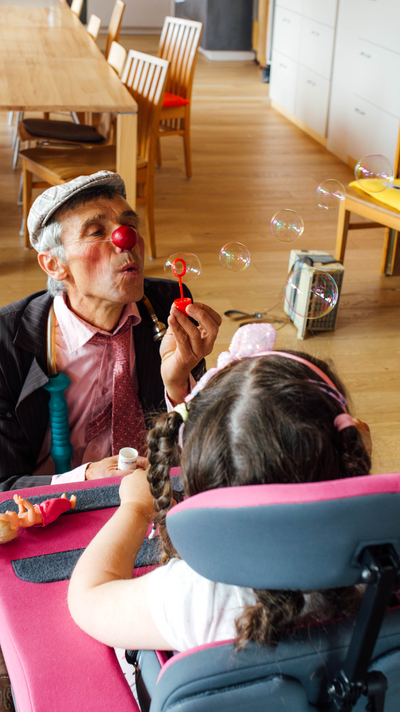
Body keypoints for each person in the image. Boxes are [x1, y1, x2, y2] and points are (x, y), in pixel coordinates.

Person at [68, 324, 371, 654]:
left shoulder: (202, 594)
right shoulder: (383, 559)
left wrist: (136, 509)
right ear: (355, 441)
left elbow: (89, 598)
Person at [0, 170, 221, 491]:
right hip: (49, 507)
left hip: (149, 495)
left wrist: (177, 387)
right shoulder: (6, 339)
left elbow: (201, 454)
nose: (125, 239)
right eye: (96, 231)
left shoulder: (168, 305)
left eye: (129, 225)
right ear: (54, 265)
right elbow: (4, 486)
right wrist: (84, 479)